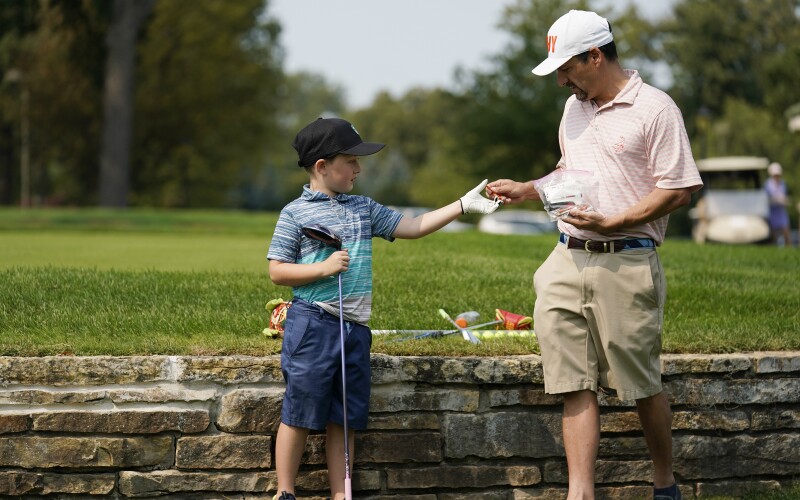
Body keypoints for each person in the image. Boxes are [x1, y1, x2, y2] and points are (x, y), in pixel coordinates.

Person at [486, 10, 703, 500]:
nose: (562, 80)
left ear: (595, 56)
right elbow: (569, 171)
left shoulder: (655, 108)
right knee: (572, 383)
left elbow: (680, 189)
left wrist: (615, 221)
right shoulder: (573, 109)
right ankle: (578, 494)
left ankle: (665, 485)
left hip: (627, 260)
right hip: (564, 259)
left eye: (568, 68)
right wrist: (529, 188)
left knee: (641, 386)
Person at [267, 117, 500, 500]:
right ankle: (285, 492)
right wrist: (322, 269)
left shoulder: (363, 208)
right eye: (350, 161)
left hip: (355, 328)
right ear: (322, 166)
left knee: (345, 418)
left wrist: (461, 205)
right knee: (300, 410)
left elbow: (414, 226)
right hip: (313, 323)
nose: (359, 168)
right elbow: (277, 271)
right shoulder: (295, 213)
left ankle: (342, 494)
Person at [765, 162, 792, 247]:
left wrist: (784, 200)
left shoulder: (783, 184)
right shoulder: (768, 184)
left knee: (786, 232)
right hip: (772, 212)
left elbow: (785, 195)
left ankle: (789, 250)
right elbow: (766, 198)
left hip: (781, 212)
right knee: (773, 235)